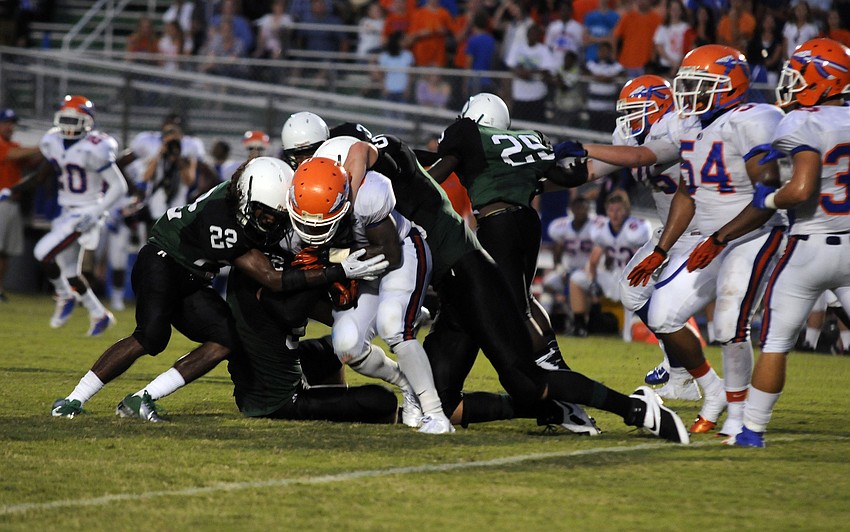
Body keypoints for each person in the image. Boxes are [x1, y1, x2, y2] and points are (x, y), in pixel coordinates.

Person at [334, 120, 690, 443]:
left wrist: (349, 181)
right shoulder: (391, 177)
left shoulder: (385, 158)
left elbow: (367, 150)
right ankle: (549, 410)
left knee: (524, 379)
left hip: (469, 271)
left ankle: (637, 409)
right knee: (442, 399)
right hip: (452, 282)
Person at [51, 157, 388, 419]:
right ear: (246, 199)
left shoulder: (255, 192)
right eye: (265, 215)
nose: (270, 222)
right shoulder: (223, 220)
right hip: (163, 260)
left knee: (226, 339)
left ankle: (142, 399)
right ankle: (72, 400)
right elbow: (272, 278)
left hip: (194, 276)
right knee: (151, 336)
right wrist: (338, 269)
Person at [580, 44, 785, 436]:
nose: (687, 95)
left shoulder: (752, 118)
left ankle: (744, 422)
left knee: (731, 324)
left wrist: (721, 236)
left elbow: (767, 191)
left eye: (698, 85)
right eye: (685, 85)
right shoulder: (689, 124)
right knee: (659, 312)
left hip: (752, 232)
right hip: (695, 232)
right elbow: (686, 190)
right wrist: (659, 250)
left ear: (730, 85)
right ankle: (709, 389)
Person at [687, 38, 850, 447]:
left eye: (798, 76)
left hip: (808, 244)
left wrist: (770, 198)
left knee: (776, 344)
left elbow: (800, 188)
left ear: (821, 80)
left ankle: (752, 430)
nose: (791, 84)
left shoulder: (803, 122)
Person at [288, 150, 453, 433]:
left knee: (393, 325)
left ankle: (436, 414)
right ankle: (407, 385)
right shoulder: (296, 206)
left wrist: (336, 258)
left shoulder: (368, 196)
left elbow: (390, 254)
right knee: (346, 345)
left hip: (401, 254)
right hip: (362, 269)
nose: (312, 229)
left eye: (324, 221)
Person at [226, 254, 398, 424]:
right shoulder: (264, 281)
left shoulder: (277, 274)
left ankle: (335, 399)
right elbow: (288, 313)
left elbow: (332, 317)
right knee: (383, 400)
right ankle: (341, 408)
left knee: (334, 347)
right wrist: (328, 272)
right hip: (274, 398)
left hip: (268, 370)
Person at [15, 96, 128, 336]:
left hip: (87, 212)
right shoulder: (52, 141)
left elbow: (119, 186)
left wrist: (97, 212)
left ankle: (65, 296)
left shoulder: (96, 146)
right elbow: (41, 175)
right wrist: (11, 190)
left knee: (42, 252)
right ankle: (99, 314)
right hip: (66, 211)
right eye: (64, 119)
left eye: (73, 120)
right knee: (70, 272)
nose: (68, 126)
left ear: (87, 121)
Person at [569, 193, 651, 339]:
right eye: (611, 210)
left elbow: (644, 259)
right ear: (606, 211)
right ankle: (579, 325)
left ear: (626, 211)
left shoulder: (635, 228)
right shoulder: (603, 229)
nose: (615, 214)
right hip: (614, 276)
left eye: (619, 210)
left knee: (629, 331)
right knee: (576, 277)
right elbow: (594, 260)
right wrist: (593, 281)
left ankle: (629, 335)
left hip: (635, 278)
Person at [0, 108, 43, 302]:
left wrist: (51, 150)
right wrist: (44, 145)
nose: (10, 127)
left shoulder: (13, 144)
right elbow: (15, 155)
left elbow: (31, 163)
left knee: (6, 252)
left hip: (12, 203)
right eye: (6, 122)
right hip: (1, 202)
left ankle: (0, 290)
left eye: (12, 123)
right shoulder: (4, 145)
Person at [504, 23, 558, 123]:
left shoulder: (543, 50)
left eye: (536, 34)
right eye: (531, 33)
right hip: (519, 96)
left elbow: (547, 70)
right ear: (527, 34)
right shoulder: (518, 48)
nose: (533, 36)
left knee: (536, 127)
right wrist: (521, 72)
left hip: (537, 96)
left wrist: (528, 72)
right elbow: (511, 66)